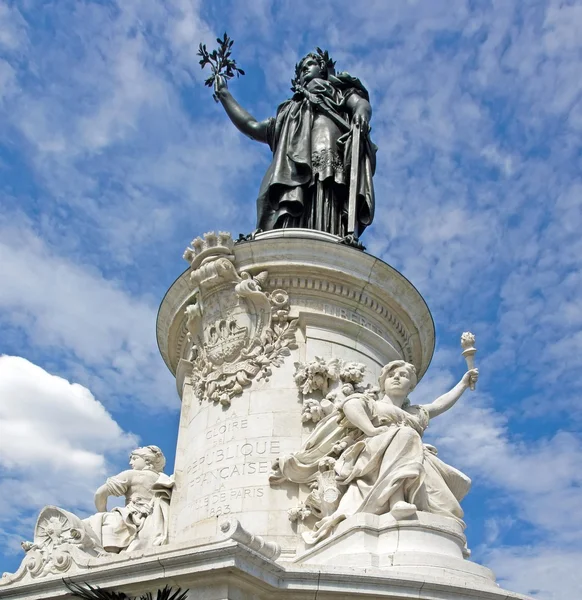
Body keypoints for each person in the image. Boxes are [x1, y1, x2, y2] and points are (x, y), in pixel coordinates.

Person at [270, 360, 478, 544]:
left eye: (403, 376)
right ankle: (396, 501)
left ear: (411, 386)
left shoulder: (416, 413)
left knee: (451, 498)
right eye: (392, 375)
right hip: (371, 454)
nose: (397, 378)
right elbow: (350, 405)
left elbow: (439, 404)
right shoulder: (372, 403)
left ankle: (411, 505)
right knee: (405, 434)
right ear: (383, 382)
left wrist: (463, 383)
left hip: (411, 455)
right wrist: (371, 430)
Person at [214, 48, 376, 238]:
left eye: (310, 65)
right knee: (290, 210)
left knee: (325, 203)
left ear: (322, 68)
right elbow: (252, 126)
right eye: (301, 69)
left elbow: (360, 104)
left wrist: (361, 114)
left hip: (329, 163)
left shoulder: (338, 93)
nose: (305, 70)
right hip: (292, 173)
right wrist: (225, 95)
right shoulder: (289, 112)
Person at [84, 446, 174, 553]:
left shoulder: (132, 474)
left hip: (132, 517)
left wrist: (102, 513)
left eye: (134, 458)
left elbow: (100, 493)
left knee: (90, 524)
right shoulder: (165, 479)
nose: (131, 462)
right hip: (157, 518)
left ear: (147, 460)